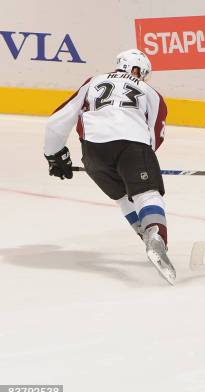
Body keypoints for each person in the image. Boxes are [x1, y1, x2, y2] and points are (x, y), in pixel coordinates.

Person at [43, 49, 175, 285]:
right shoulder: (150, 92)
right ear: (137, 70)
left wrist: (55, 154)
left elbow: (58, 120)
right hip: (132, 145)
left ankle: (145, 235)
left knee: (123, 197)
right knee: (147, 194)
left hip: (93, 152)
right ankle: (155, 233)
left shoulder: (93, 82)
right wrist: (143, 165)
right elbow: (155, 136)